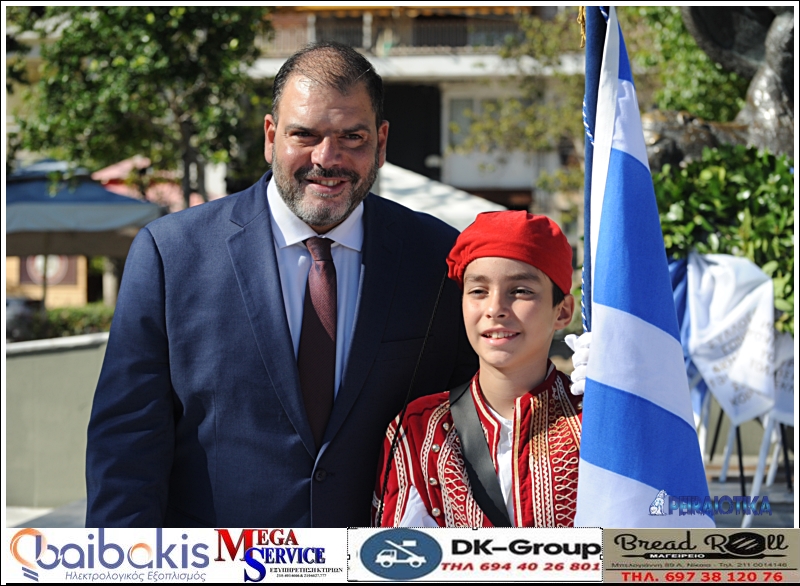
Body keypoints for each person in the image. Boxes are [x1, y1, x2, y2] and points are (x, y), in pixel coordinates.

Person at [85, 41, 476, 528]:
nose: (327, 158)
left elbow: (475, 417)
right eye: (304, 134)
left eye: (352, 137)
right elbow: (127, 445)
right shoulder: (172, 254)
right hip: (218, 561)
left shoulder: (439, 257)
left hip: (384, 559)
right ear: (271, 137)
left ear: (381, 142)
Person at [374, 210, 582, 527]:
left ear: (562, 311)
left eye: (521, 291)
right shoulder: (419, 428)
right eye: (478, 291)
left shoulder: (597, 423)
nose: (494, 309)